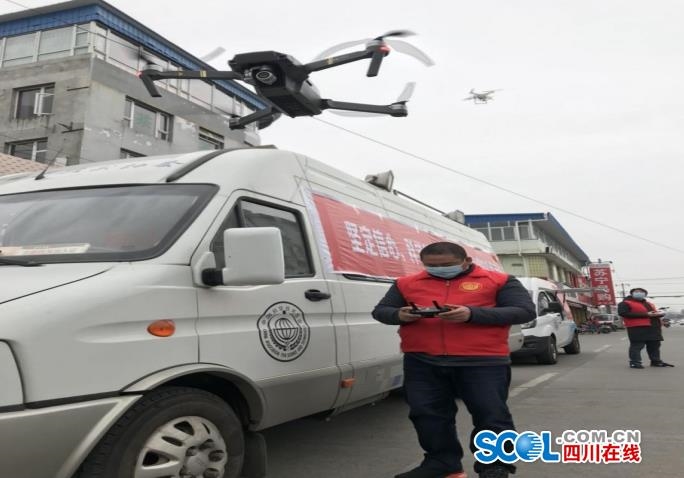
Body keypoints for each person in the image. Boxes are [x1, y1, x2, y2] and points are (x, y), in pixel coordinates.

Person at [372, 242, 536, 478]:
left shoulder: (499, 281)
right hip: (423, 361)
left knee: (491, 414)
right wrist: (399, 314)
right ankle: (442, 464)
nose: (439, 269)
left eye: (447, 264)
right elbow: (381, 311)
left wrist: (471, 314)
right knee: (427, 414)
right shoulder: (405, 283)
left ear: (466, 261)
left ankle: (496, 465)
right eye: (432, 265)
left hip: (482, 361)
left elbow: (524, 311)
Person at [618, 287, 674, 369]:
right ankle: (635, 362)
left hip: (653, 327)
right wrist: (646, 314)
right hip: (637, 328)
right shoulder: (625, 303)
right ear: (632, 294)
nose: (639, 293)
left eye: (641, 292)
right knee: (637, 345)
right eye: (636, 291)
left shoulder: (649, 303)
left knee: (654, 345)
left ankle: (656, 361)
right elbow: (623, 313)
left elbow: (652, 314)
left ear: (645, 294)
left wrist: (659, 314)